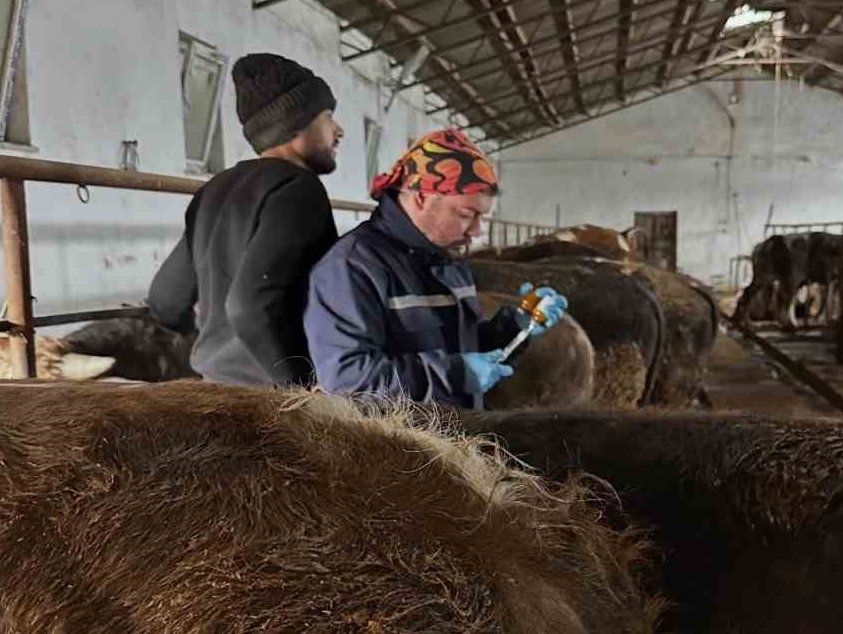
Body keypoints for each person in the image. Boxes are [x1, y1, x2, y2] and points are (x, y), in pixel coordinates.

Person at [304, 126, 565, 408]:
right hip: (395, 447)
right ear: (421, 197)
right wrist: (454, 374)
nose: (477, 232)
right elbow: (348, 381)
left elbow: (466, 348)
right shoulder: (352, 267)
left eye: (481, 218)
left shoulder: (448, 262)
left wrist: (516, 326)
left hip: (457, 438)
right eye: (467, 214)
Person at [148, 53, 342, 387]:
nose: (339, 130)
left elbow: (165, 299)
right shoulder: (299, 188)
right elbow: (249, 305)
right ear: (296, 123)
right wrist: (299, 386)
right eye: (328, 117)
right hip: (271, 401)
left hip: (215, 386)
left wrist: (216, 348)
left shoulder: (215, 188)